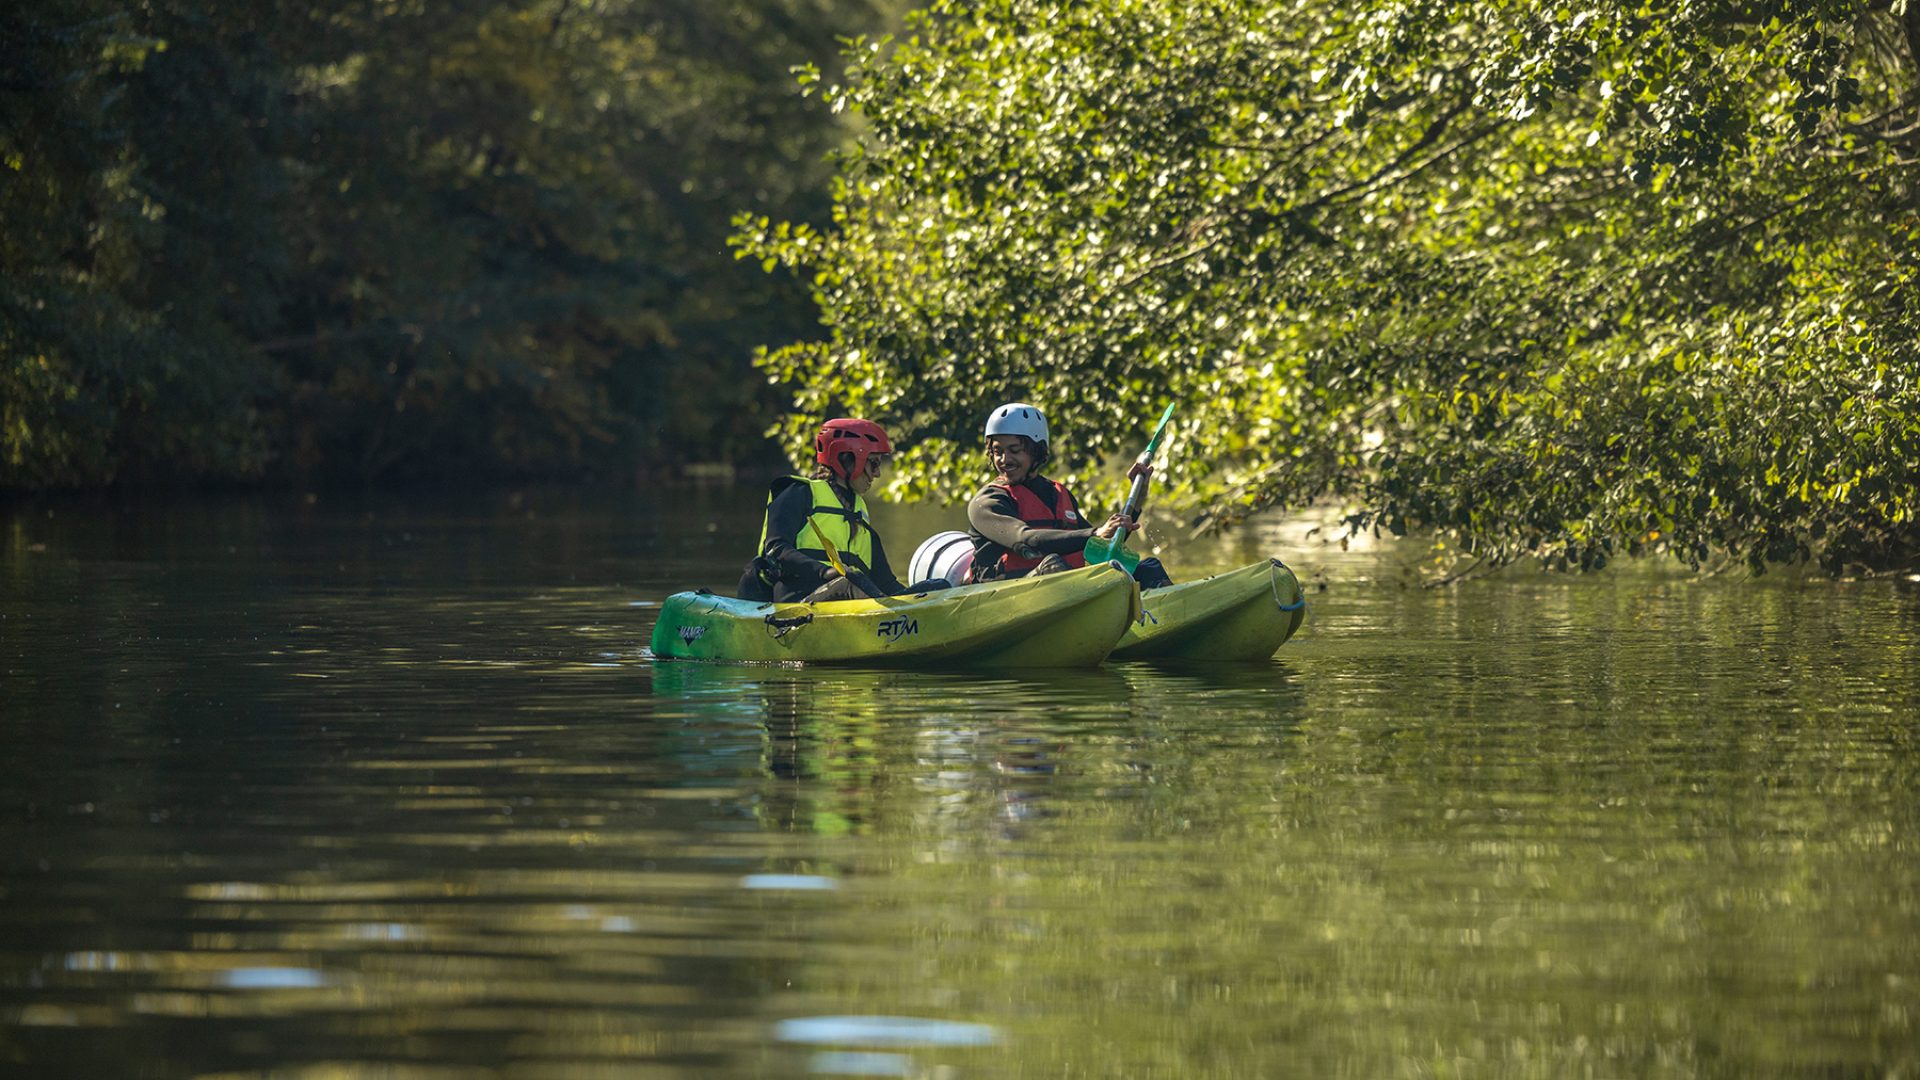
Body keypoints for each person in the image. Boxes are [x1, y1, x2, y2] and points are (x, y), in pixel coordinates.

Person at [965, 402, 1174, 588]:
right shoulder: (986, 503)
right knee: (1052, 566)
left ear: (1037, 451)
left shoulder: (1057, 493)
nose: (1004, 459)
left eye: (1015, 450)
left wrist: (1136, 502)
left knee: (1148, 569)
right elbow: (1027, 540)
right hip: (1003, 593)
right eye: (998, 451)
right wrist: (1095, 533)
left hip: (1062, 589)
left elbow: (1096, 547)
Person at [738, 418, 945, 603]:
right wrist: (825, 572)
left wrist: (924, 600)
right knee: (850, 581)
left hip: (848, 606)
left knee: (938, 586)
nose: (878, 473)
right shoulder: (799, 493)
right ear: (847, 459)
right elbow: (776, 549)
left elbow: (888, 585)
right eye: (873, 463)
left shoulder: (859, 513)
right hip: (796, 605)